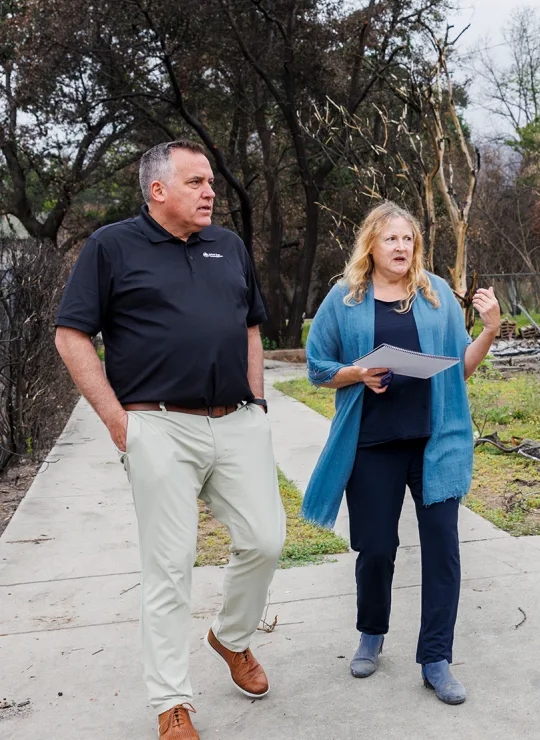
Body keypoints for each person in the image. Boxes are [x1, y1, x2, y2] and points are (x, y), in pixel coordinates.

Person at [54, 140, 285, 740]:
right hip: (157, 425)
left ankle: (230, 637)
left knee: (265, 540)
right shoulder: (111, 246)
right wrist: (118, 422)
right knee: (169, 565)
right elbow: (71, 335)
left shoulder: (228, 246)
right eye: (195, 182)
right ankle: (171, 701)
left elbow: (251, 327)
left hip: (236, 420)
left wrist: (257, 404)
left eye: (210, 181)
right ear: (157, 190)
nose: (211, 192)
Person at [301, 201, 499, 705]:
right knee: (376, 548)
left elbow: (460, 369)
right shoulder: (345, 299)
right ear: (371, 244)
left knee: (443, 551)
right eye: (391, 238)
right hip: (372, 444)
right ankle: (371, 632)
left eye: (408, 239)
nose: (401, 247)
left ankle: (436, 659)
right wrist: (356, 373)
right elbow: (318, 366)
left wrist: (490, 330)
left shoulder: (435, 295)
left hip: (436, 442)